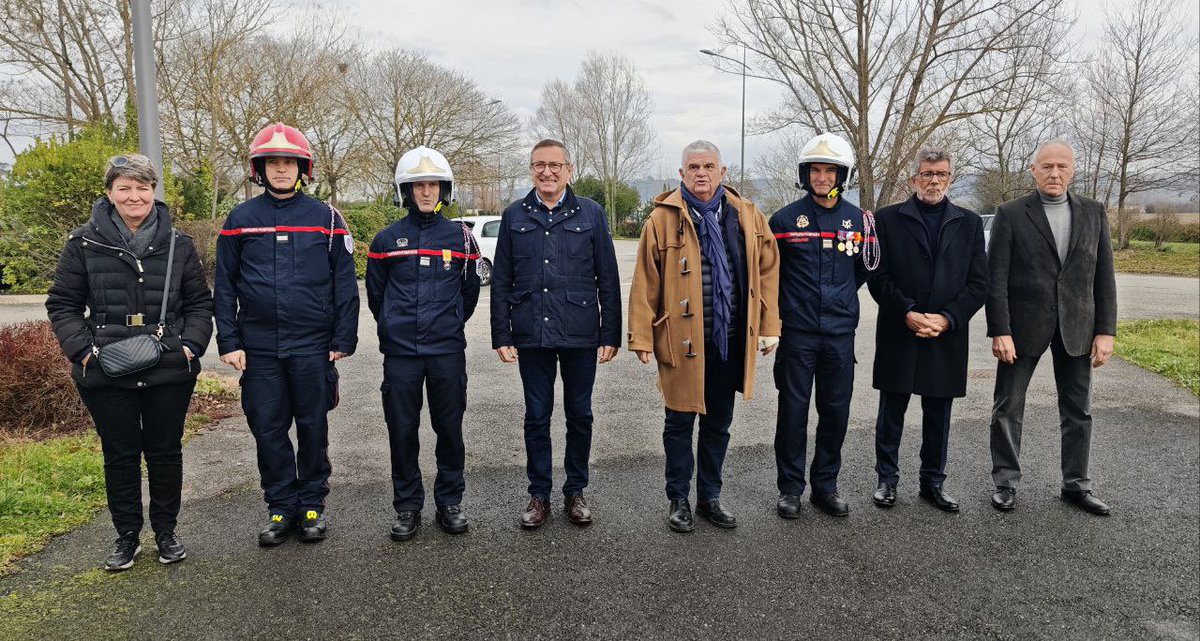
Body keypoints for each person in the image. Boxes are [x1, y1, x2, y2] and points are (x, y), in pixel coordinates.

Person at [47, 154, 214, 571]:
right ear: (109, 194)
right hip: (104, 368)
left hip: (168, 366)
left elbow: (199, 304)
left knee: (164, 452)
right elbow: (63, 304)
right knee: (119, 455)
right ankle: (126, 537)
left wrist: (190, 346)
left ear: (153, 192)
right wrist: (83, 352)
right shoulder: (82, 243)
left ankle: (166, 533)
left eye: (142, 187)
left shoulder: (179, 244)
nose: (134, 196)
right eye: (124, 188)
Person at [214, 122, 359, 545]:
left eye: (289, 162)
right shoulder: (240, 219)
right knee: (268, 428)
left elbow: (344, 284)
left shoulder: (327, 219)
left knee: (313, 425)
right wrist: (229, 341)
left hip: (313, 346)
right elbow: (224, 285)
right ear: (260, 168)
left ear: (303, 168)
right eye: (273, 162)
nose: (281, 169)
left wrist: (341, 340)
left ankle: (312, 504)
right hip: (258, 347)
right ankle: (280, 507)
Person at [628, 140, 781, 533]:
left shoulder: (747, 216)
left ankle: (709, 496)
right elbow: (646, 280)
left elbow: (767, 274)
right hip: (682, 341)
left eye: (709, 166)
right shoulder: (661, 220)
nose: (701, 173)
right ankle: (678, 499)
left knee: (718, 425)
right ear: (681, 174)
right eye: (693, 167)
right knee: (679, 424)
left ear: (722, 171)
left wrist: (768, 327)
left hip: (729, 340)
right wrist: (641, 336)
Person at [490, 139, 621, 529]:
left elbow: (608, 277)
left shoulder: (591, 213)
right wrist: (502, 334)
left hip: (580, 333)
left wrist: (610, 332)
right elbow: (501, 280)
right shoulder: (514, 215)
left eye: (554, 165)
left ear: (569, 169)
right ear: (531, 169)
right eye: (538, 165)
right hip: (532, 333)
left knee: (580, 415)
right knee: (536, 416)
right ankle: (540, 494)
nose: (546, 172)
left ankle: (575, 491)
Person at [986, 139, 1117, 516]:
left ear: (1073, 170)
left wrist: (1106, 331)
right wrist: (1000, 329)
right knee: (1008, 407)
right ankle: (1006, 483)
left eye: (1061, 166)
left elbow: (1103, 276)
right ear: (1033, 170)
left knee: (1079, 410)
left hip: (1078, 325)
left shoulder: (1094, 213)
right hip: (1023, 327)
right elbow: (996, 278)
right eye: (1046, 167)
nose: (1054, 173)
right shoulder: (1011, 213)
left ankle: (1076, 484)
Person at [366, 146, 480, 540]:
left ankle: (450, 502)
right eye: (418, 186)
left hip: (447, 351)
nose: (426, 192)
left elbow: (469, 294)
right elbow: (376, 297)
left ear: (443, 190)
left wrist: (448, 324)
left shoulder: (463, 239)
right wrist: (397, 328)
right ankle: (408, 506)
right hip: (401, 355)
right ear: (405, 191)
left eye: (433, 185)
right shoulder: (385, 240)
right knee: (402, 430)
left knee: (449, 428)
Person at [866, 147, 988, 512]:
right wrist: (907, 311)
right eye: (927, 174)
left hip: (945, 334)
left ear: (950, 178)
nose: (934, 181)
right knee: (892, 412)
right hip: (899, 329)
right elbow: (876, 275)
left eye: (941, 175)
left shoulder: (968, 223)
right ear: (913, 178)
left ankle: (932, 483)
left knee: (939, 414)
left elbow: (979, 282)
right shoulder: (887, 220)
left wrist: (948, 318)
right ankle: (886, 481)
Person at [770, 133, 874, 519]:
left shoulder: (858, 221)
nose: (822, 177)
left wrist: (842, 299)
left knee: (835, 412)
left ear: (840, 175)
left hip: (839, 336)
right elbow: (770, 274)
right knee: (793, 412)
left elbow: (863, 269)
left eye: (830, 170)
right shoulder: (782, 221)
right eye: (815, 170)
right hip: (797, 335)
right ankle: (791, 489)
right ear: (805, 173)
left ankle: (825, 487)